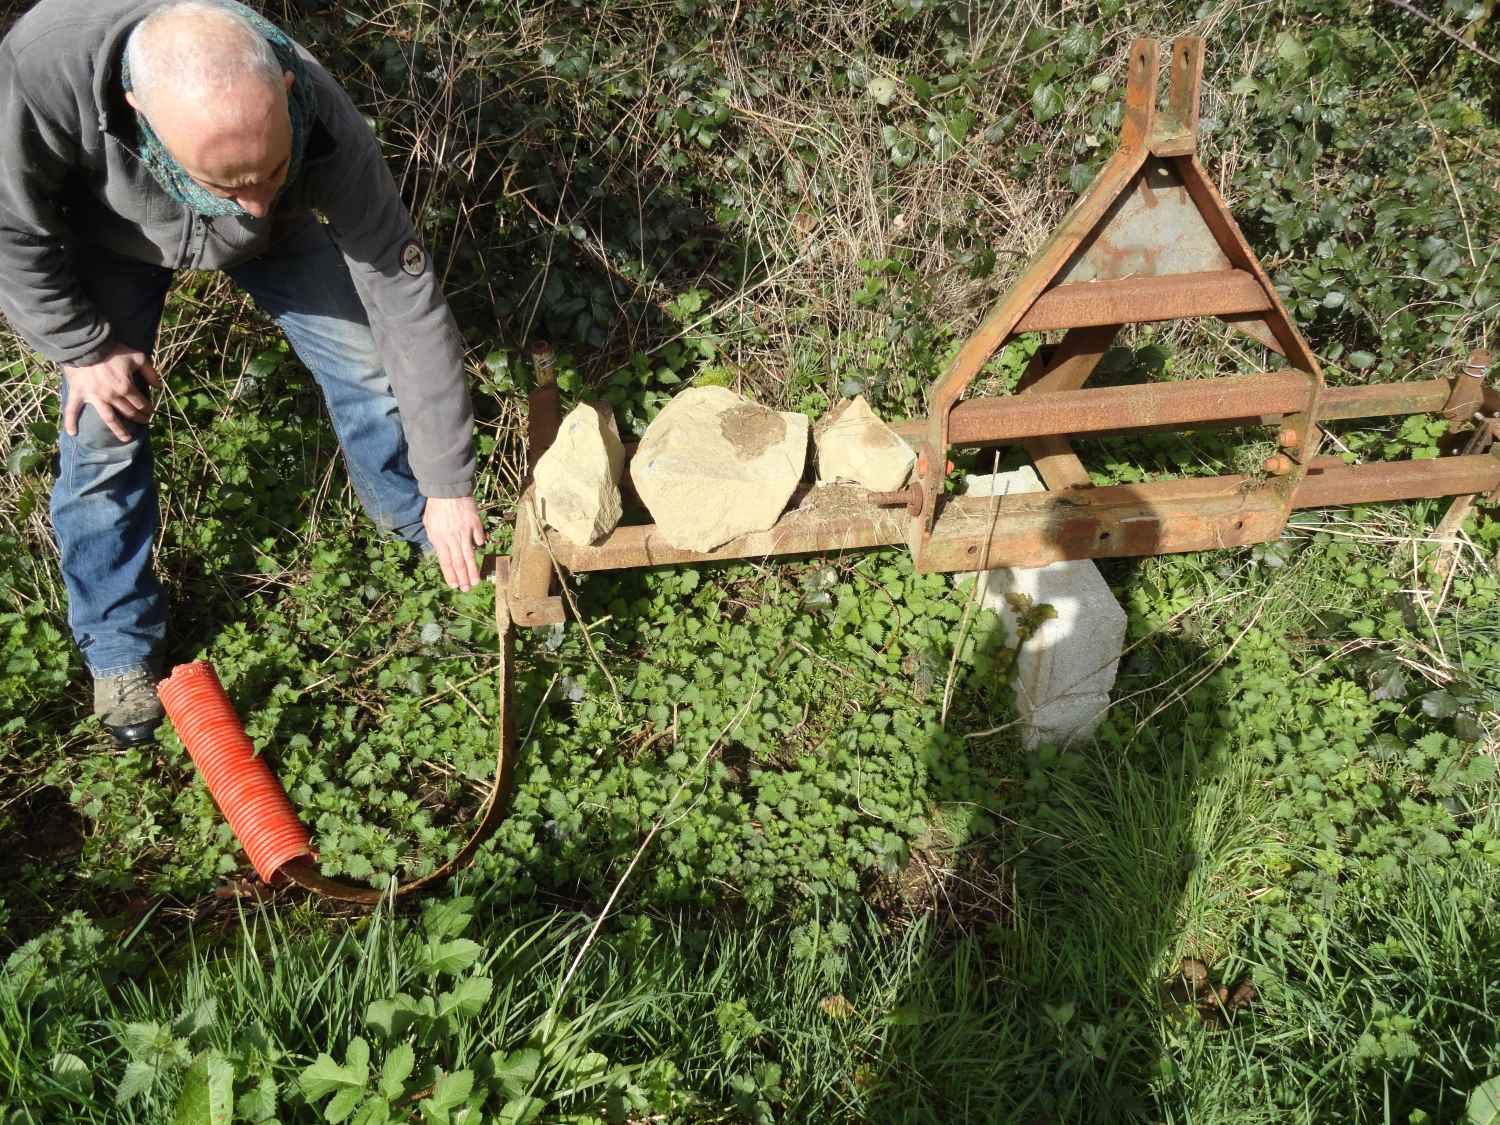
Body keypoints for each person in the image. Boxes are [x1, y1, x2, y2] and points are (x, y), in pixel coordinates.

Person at [0, 0, 486, 746]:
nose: (254, 200)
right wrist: (81, 348)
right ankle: (121, 647)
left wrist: (450, 484)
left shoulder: (319, 111)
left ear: (286, 94)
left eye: (273, 167)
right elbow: (9, 225)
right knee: (102, 427)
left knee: (368, 362)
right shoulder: (41, 69)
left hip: (283, 242)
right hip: (110, 233)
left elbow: (402, 291)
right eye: (232, 184)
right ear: (137, 114)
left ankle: (414, 526)